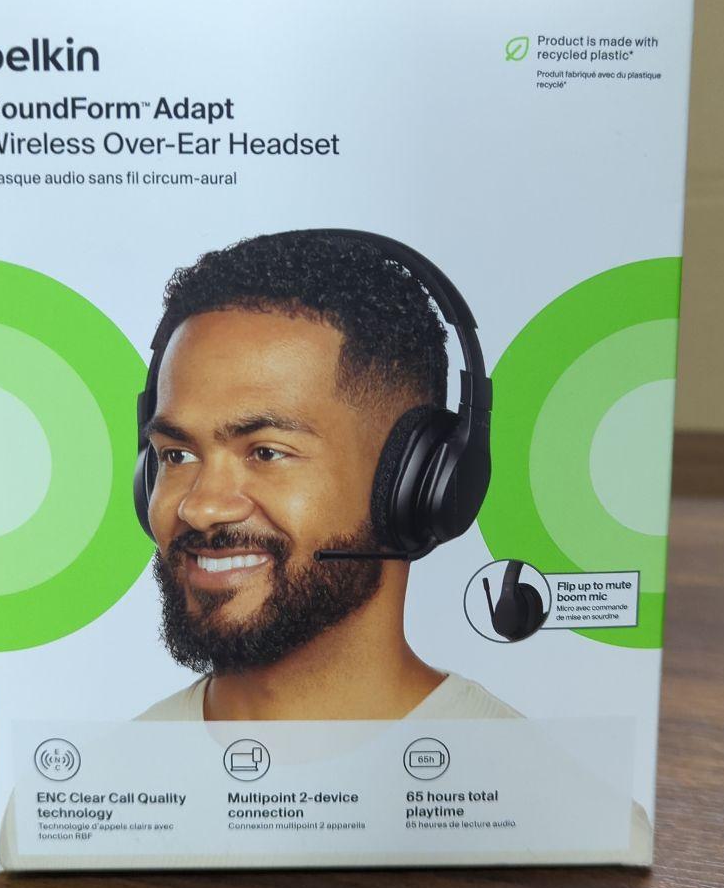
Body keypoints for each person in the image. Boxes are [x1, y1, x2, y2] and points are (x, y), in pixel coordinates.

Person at [135, 229, 520, 722]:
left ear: (417, 484)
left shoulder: (522, 771)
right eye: (177, 456)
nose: (201, 507)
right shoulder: (107, 770)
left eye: (266, 453)